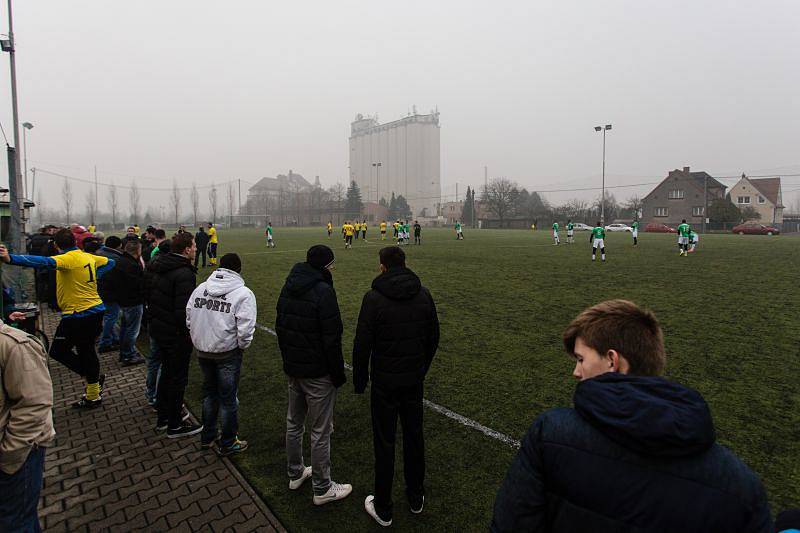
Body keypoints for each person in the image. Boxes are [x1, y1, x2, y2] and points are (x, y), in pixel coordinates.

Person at [490, 300, 771, 532]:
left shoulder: (551, 435)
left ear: (612, 361)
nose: (576, 372)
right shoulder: (741, 485)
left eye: (580, 359)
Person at [353, 246, 440, 527]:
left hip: (385, 383)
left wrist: (360, 379)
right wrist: (421, 367)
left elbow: (362, 343)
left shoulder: (374, 298)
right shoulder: (423, 294)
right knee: (414, 436)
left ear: (382, 267)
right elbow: (433, 337)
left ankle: (384, 506)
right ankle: (416, 496)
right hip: (413, 381)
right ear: (405, 263)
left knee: (385, 441)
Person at [0, 229, 115, 408]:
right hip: (95, 310)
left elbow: (42, 262)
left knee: (58, 351)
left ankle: (93, 379)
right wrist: (91, 279)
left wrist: (10, 258)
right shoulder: (87, 257)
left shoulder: (67, 259)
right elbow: (110, 262)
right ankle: (93, 393)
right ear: (76, 242)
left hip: (79, 313)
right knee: (86, 350)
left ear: (56, 245)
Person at [275, 245, 351, 506]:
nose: (333, 269)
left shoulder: (289, 284)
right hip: (317, 372)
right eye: (331, 265)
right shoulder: (323, 291)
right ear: (324, 266)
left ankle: (295, 473)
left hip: (294, 368)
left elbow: (280, 325)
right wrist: (336, 373)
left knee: (294, 422)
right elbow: (332, 337)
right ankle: (322, 487)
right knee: (320, 431)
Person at [187, 253, 256, 456]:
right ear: (239, 269)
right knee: (228, 398)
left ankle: (207, 437)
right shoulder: (243, 293)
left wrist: (198, 339)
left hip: (202, 351)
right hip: (227, 353)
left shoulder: (201, 288)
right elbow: (245, 328)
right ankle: (227, 441)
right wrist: (242, 346)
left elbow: (189, 315)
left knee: (210, 394)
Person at [0, 320, 55, 532]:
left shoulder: (13, 345)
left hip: (15, 456)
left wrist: (10, 455)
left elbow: (35, 403)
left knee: (16, 523)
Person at [145, 232, 202, 437]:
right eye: (194, 245)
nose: (196, 249)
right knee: (177, 377)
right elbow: (183, 311)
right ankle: (175, 424)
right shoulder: (183, 273)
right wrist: (188, 334)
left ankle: (164, 417)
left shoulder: (159, 265)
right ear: (186, 249)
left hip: (158, 329)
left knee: (167, 373)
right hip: (174, 334)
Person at [114, 239, 146, 366]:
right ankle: (128, 355)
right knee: (132, 330)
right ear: (138, 251)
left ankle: (125, 352)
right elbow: (138, 285)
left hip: (123, 300)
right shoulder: (132, 265)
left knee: (125, 328)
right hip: (133, 302)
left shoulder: (120, 261)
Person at [96, 236, 124, 354]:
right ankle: (105, 343)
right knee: (111, 317)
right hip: (110, 292)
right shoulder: (116, 258)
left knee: (108, 316)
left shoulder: (99, 253)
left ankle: (114, 338)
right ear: (118, 246)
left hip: (100, 290)